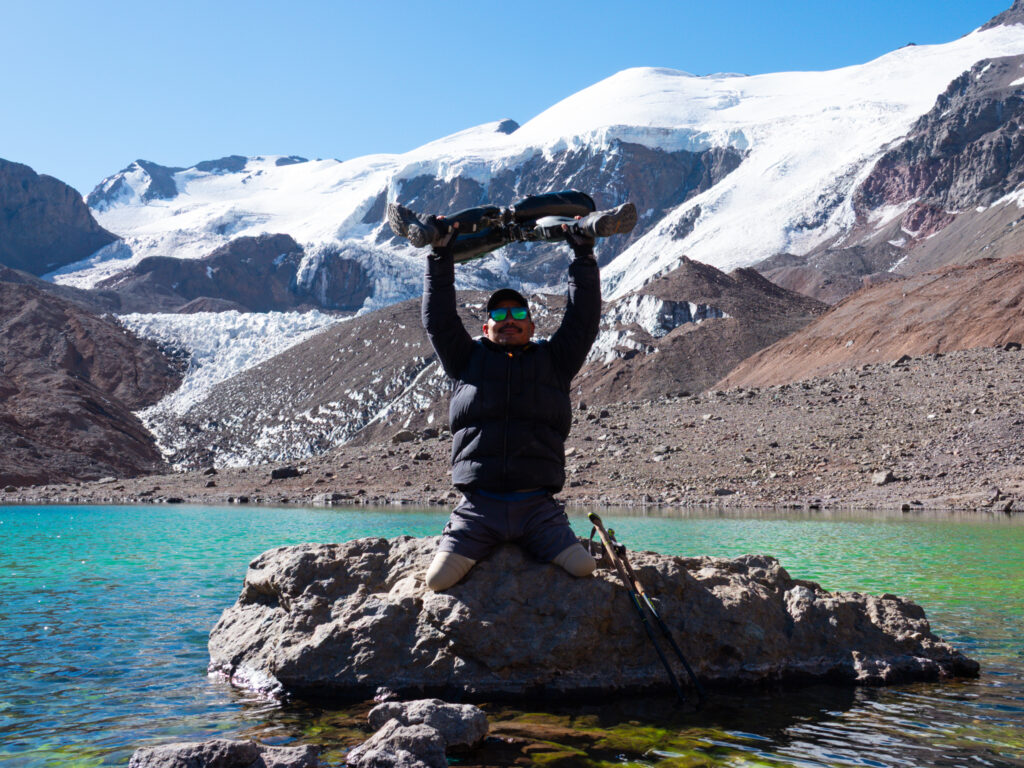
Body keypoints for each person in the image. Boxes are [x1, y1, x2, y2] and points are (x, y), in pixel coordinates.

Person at [418, 214, 603, 591]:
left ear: (532, 327)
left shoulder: (554, 361)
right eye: (498, 314)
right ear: (485, 328)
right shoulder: (466, 359)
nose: (509, 320)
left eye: (519, 313)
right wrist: (439, 257)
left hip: (537, 508)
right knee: (437, 581)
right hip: (478, 507)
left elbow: (582, 320)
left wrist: (583, 257)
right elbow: (438, 320)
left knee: (584, 568)